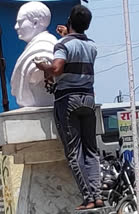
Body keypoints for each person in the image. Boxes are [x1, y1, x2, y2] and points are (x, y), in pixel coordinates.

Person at [35, 5, 103, 210]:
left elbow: (57, 69)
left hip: (68, 100)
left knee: (74, 152)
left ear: (69, 21)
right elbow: (77, 49)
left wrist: (43, 66)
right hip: (88, 99)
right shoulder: (92, 46)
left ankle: (88, 198)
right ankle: (98, 196)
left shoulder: (62, 45)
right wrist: (68, 35)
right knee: (91, 150)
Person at [10, 2, 57, 107]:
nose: (16, 27)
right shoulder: (34, 47)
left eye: (20, 22)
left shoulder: (44, 48)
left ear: (35, 23)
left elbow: (37, 73)